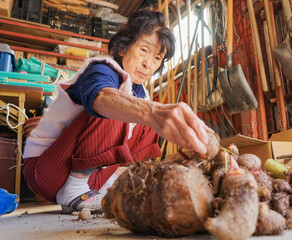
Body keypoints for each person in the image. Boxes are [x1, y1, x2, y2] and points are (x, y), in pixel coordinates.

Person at [22, 10, 212, 213]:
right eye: (144, 51)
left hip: (90, 176)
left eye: (157, 58)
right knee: (123, 106)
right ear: (123, 48)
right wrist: (155, 113)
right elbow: (103, 98)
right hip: (46, 170)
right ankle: (74, 190)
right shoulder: (102, 69)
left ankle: (106, 186)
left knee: (147, 125)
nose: (149, 64)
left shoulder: (141, 92)